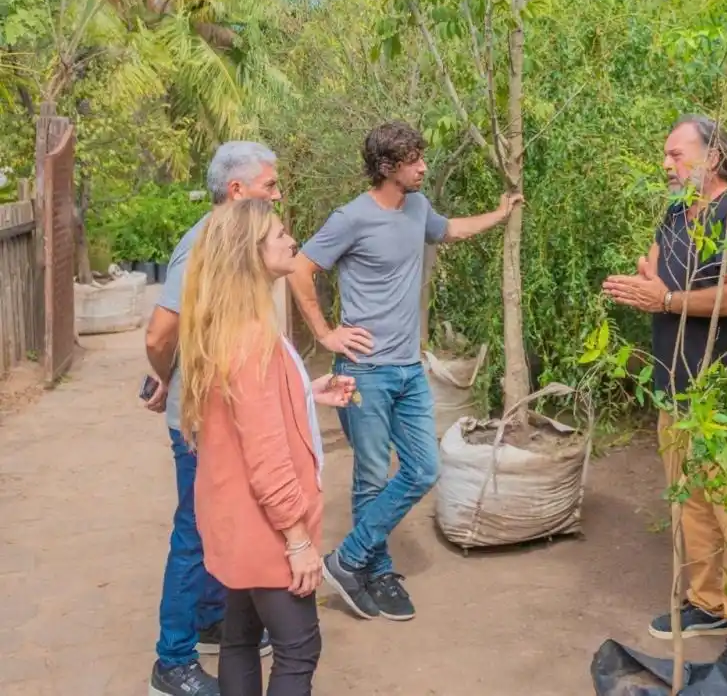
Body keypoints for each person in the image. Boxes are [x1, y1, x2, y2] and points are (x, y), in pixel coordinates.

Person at [288, 120, 523, 622]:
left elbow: (450, 229)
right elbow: (300, 268)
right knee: (372, 476)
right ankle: (377, 571)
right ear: (388, 168)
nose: (423, 166)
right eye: (414, 160)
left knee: (423, 468)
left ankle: (348, 561)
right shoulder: (350, 218)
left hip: (409, 370)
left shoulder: (417, 207)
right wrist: (327, 334)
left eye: (422, 157)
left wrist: (500, 215)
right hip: (364, 372)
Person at [602, 114, 727, 690]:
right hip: (677, 389)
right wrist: (648, 280)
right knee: (692, 505)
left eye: (677, 155)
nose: (667, 165)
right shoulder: (677, 214)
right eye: (666, 155)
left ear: (715, 157)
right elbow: (656, 264)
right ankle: (706, 602)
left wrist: (668, 297)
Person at [178, 198, 356, 696]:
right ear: (250, 251)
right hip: (265, 525)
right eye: (279, 234)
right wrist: (297, 540)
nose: (291, 240)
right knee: (299, 648)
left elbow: (245, 415)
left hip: (233, 517)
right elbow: (265, 455)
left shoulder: (223, 326)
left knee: (239, 637)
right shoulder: (252, 335)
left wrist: (304, 392)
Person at [145, 142, 282, 696]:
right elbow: (159, 334)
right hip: (201, 419)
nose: (277, 194)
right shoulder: (200, 245)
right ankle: (171, 660)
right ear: (237, 191)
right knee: (194, 532)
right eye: (270, 185)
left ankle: (208, 617)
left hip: (224, 410)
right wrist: (168, 376)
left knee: (215, 522)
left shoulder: (242, 240)